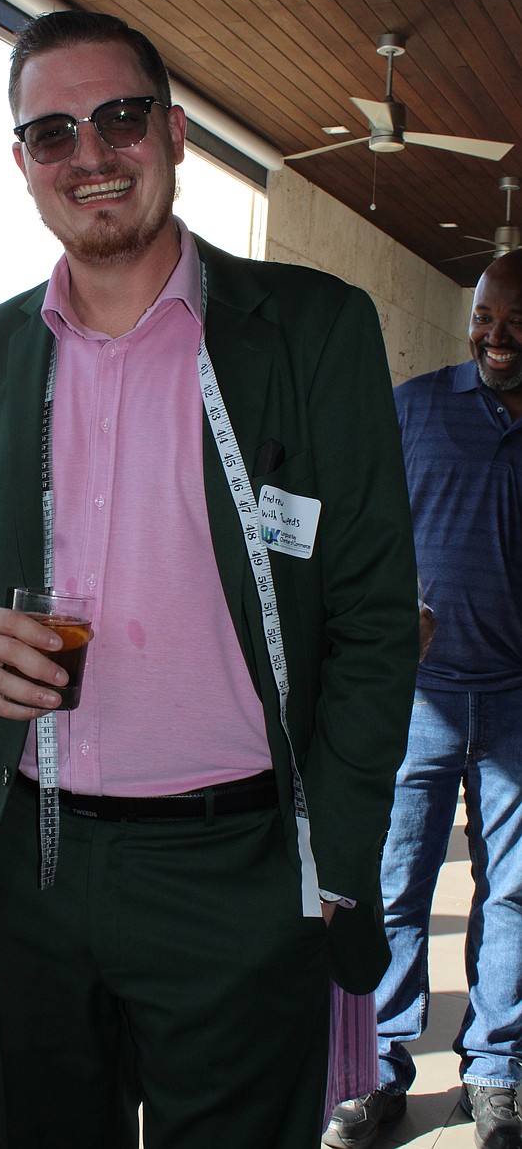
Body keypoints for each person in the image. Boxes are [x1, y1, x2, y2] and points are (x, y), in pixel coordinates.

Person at [0, 10, 418, 1149]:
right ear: (23, 164)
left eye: (119, 117)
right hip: (29, 873)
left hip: (237, 877)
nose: (89, 154)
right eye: (52, 133)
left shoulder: (311, 331)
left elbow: (375, 616)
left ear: (175, 131)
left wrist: (332, 854)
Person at [323, 250, 522, 1149]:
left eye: (514, 321)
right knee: (393, 888)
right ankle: (378, 1069)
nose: (495, 334)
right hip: (417, 697)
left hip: (519, 704)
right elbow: (360, 525)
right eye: (484, 316)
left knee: (514, 896)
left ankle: (495, 1069)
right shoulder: (415, 408)